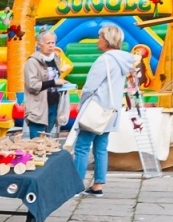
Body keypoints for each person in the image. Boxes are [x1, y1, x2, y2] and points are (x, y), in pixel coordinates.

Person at [72, 24, 140, 196]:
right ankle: (98, 185)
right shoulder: (124, 60)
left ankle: (76, 185)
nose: (98, 40)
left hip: (97, 109)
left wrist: (82, 103)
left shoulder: (104, 60)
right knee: (101, 147)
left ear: (107, 40)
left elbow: (90, 87)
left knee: (82, 146)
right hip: (111, 110)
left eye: (100, 37)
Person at [23, 31, 65, 137]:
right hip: (38, 105)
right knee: (37, 139)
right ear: (39, 44)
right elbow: (32, 85)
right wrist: (54, 82)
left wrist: (62, 83)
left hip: (54, 103)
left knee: (47, 137)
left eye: (53, 43)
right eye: (48, 43)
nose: (51, 45)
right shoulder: (32, 62)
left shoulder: (56, 58)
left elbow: (55, 77)